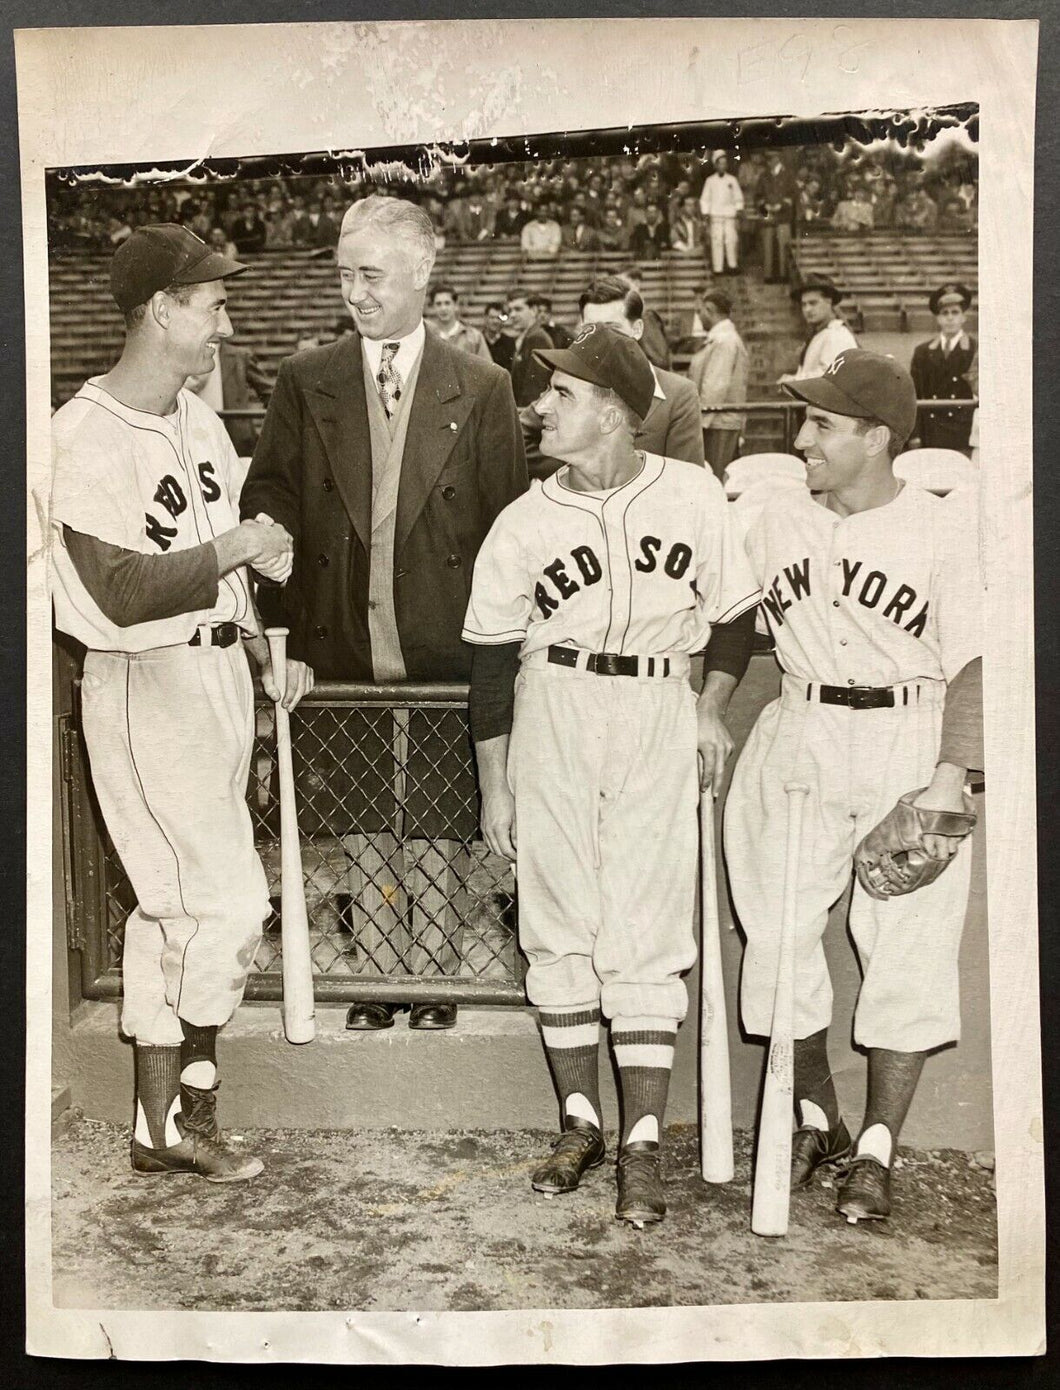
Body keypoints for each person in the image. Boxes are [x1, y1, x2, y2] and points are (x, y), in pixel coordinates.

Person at [462, 323, 759, 1226]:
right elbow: (486, 661)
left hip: (658, 709)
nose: (540, 405)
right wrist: (495, 787)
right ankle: (580, 1121)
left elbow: (736, 621)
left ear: (616, 412)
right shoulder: (524, 518)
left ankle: (641, 1141)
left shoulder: (695, 494)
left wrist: (711, 708)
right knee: (558, 924)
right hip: (553, 706)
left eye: (561, 393)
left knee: (645, 926)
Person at [50, 224, 312, 1181]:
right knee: (229, 902)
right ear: (160, 309)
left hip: (215, 677)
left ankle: (160, 1130)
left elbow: (224, 566)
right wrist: (235, 550)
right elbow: (114, 588)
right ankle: (191, 1110)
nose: (225, 326)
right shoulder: (77, 435)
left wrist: (258, 643)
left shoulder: (196, 419)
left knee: (172, 912)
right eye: (211, 306)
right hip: (141, 682)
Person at [242, 196, 528, 1032]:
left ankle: (434, 976)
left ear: (421, 272)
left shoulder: (484, 386)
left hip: (443, 640)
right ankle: (375, 974)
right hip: (341, 637)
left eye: (370, 275)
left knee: (437, 814)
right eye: (344, 274)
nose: (355, 293)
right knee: (364, 813)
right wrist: (283, 623)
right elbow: (271, 499)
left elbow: (505, 526)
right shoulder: (306, 380)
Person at [724, 349, 983, 1224]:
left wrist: (951, 776)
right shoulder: (772, 521)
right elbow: (725, 619)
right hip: (799, 726)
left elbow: (978, 660)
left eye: (823, 424)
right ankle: (814, 1116)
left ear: (877, 438)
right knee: (778, 932)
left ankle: (877, 1148)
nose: (802, 438)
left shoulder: (942, 529)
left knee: (907, 940)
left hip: (907, 733)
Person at [519, 278, 705, 478]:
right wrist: (578, 464)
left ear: (637, 329)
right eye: (590, 329)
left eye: (613, 328)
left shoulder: (678, 393)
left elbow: (688, 479)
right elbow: (518, 434)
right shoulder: (566, 384)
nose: (601, 340)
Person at [909, 282, 978, 454]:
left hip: (963, 434)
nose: (950, 318)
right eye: (944, 313)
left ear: (964, 317)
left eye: (955, 312)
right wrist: (914, 435)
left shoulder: (975, 349)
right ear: (937, 318)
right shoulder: (923, 352)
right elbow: (914, 395)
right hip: (931, 433)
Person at [688, 288, 748, 481]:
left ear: (709, 310)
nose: (699, 317)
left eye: (700, 312)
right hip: (716, 421)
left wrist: (699, 422)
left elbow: (715, 387)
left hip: (716, 423)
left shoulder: (724, 341)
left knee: (713, 478)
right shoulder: (720, 339)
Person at [186, 337, 272, 458]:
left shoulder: (239, 356)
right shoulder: (184, 354)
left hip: (235, 436)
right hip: (197, 436)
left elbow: (269, 392)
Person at [778, 279, 858, 384]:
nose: (807, 309)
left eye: (813, 303)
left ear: (829, 302)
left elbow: (831, 376)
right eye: (804, 305)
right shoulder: (821, 334)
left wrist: (794, 380)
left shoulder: (836, 334)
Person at [698, 151, 745, 276]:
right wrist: (705, 213)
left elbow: (738, 197)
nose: (722, 166)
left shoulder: (732, 180)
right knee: (717, 241)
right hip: (716, 216)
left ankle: (732, 265)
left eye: (724, 164)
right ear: (715, 165)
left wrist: (738, 209)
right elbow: (705, 199)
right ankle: (718, 268)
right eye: (720, 164)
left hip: (730, 215)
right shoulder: (710, 181)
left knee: (731, 240)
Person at [504, 289, 554, 407]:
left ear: (534, 310)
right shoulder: (528, 337)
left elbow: (534, 391)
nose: (512, 315)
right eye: (510, 310)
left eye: (518, 309)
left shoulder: (537, 339)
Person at [618, 266, 671, 370]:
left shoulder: (645, 316)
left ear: (636, 284)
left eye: (620, 284)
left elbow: (659, 360)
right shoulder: (629, 314)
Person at [427, 283, 493, 362]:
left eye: (447, 303)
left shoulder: (474, 337)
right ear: (433, 306)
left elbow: (487, 369)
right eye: (438, 304)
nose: (443, 308)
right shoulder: (427, 337)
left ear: (455, 305)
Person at [759, 153, 797, 284]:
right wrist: (766, 206)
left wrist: (781, 206)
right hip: (768, 216)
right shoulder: (764, 176)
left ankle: (783, 275)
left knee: (784, 246)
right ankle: (768, 276)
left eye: (772, 159)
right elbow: (758, 196)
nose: (769, 162)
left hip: (783, 216)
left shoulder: (789, 175)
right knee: (767, 246)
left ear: (778, 159)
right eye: (768, 159)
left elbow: (793, 195)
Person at [482, 300, 515, 371]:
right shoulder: (478, 340)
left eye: (498, 318)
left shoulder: (509, 342)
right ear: (485, 318)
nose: (495, 321)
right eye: (492, 317)